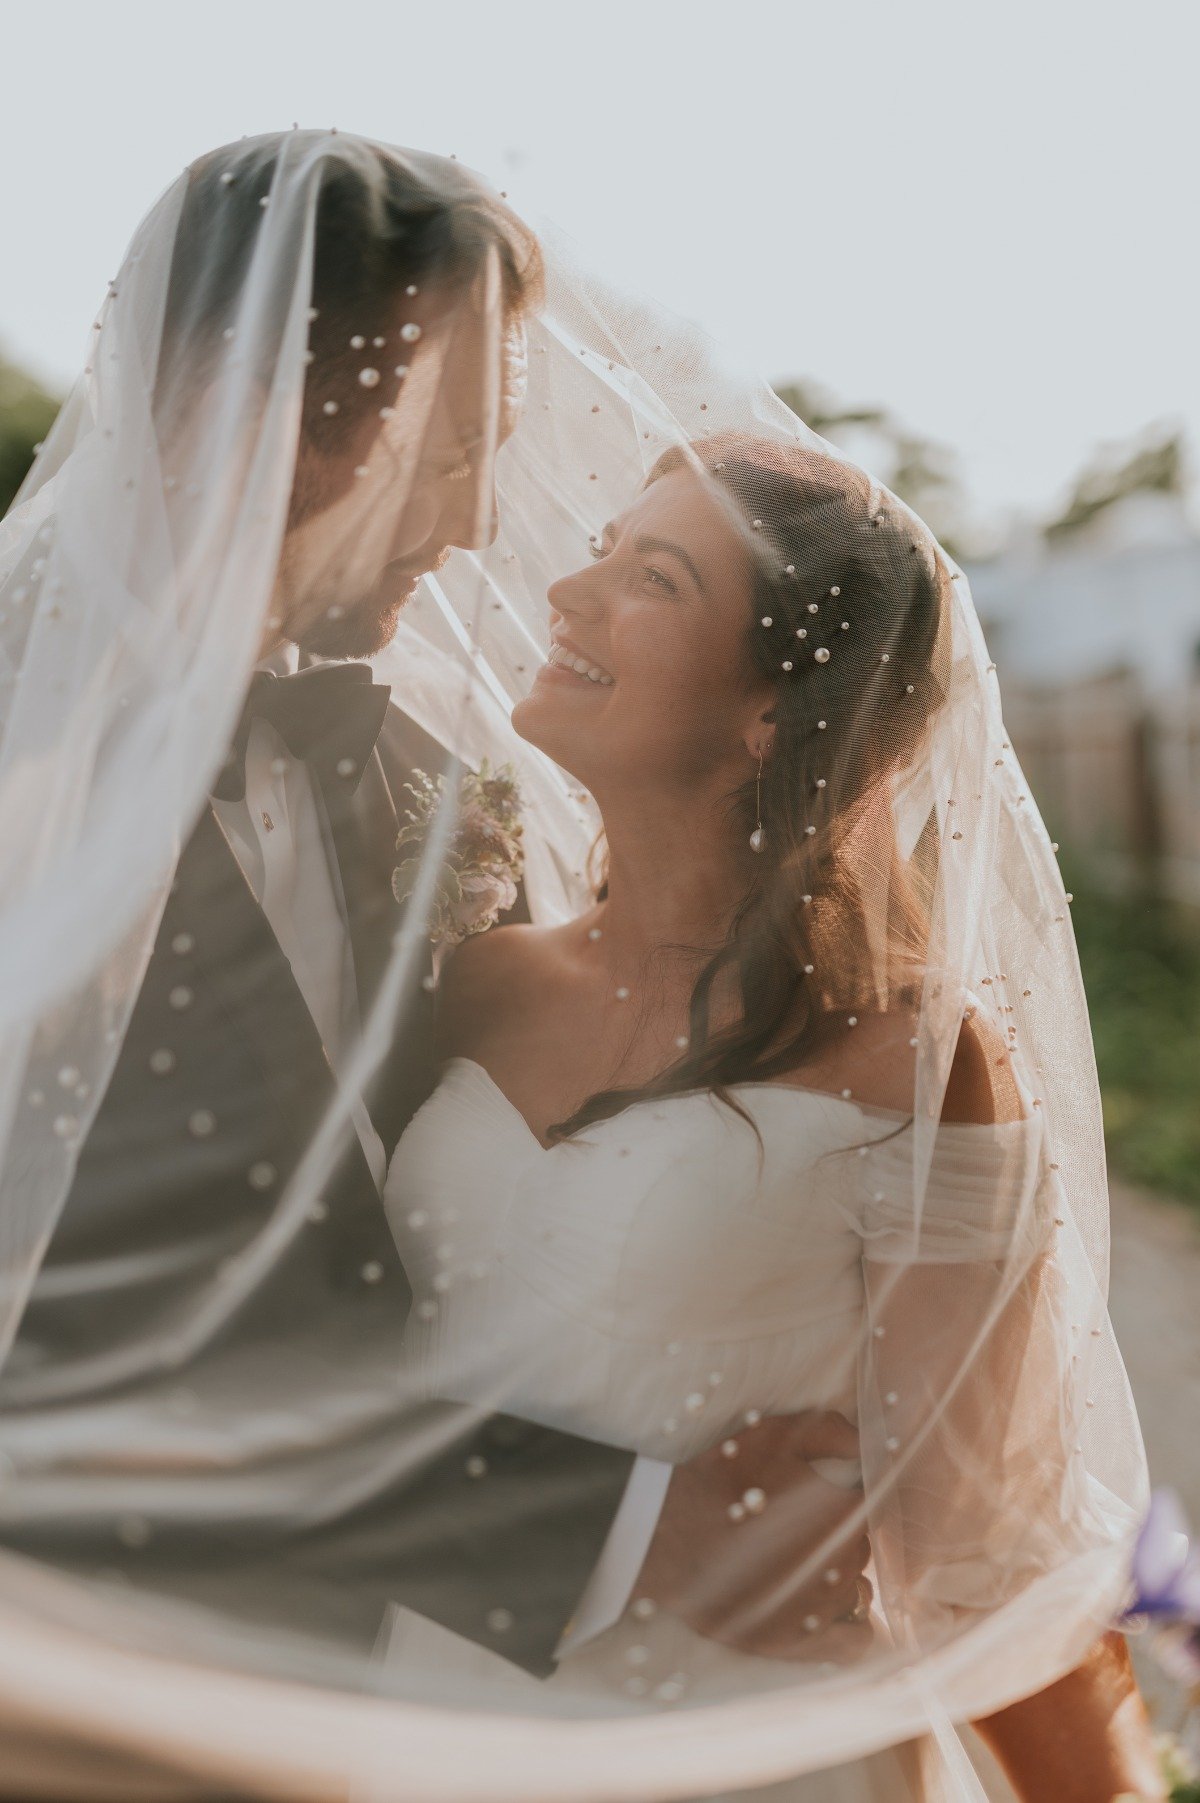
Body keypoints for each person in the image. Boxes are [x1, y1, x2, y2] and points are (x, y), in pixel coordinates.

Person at [0, 132, 869, 1794]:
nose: (479, 517)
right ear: (253, 408)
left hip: (397, 1709)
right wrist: (623, 1527)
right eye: (443, 447)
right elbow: (111, 1324)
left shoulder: (409, 771)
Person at [378, 433, 1163, 1799]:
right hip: (423, 1731)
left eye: (653, 577)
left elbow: (979, 1557)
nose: (568, 592)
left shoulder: (914, 1062)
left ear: (772, 714)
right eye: (604, 551)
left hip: (750, 1759)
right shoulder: (467, 984)